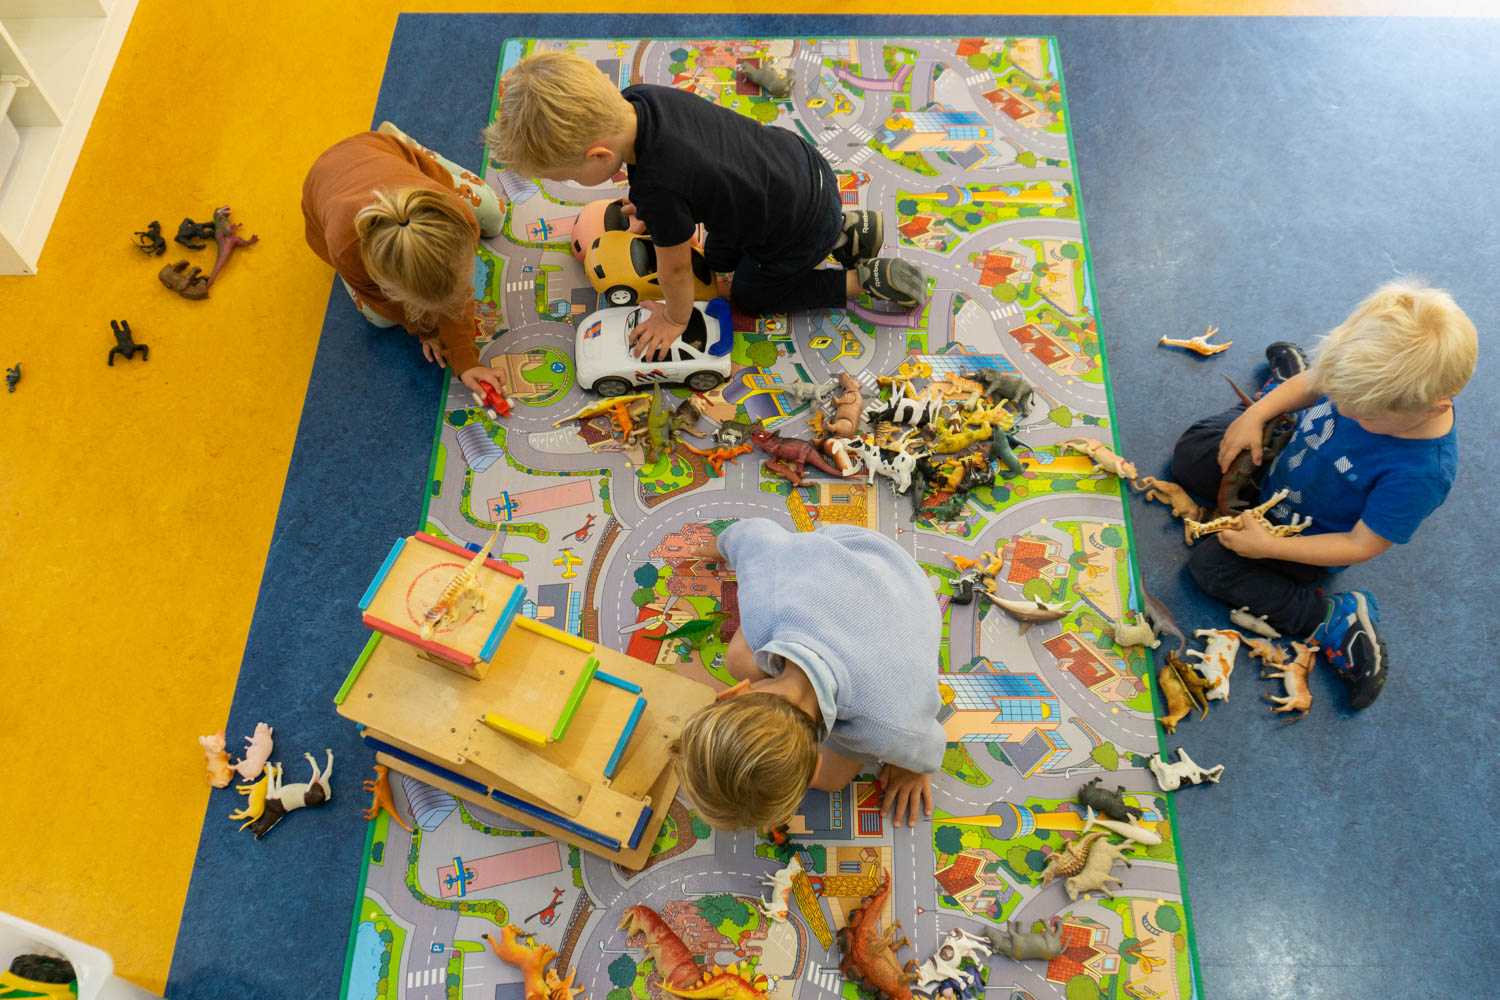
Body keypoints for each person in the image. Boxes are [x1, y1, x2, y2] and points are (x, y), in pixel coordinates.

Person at [483, 50, 927, 361]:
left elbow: (675, 271)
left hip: (792, 228)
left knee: (749, 295)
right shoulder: (640, 98)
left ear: (599, 156)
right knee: (715, 258)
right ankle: (843, 230)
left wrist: (674, 318)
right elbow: (691, 162)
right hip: (801, 169)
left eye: (568, 175)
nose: (570, 183)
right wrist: (650, 202)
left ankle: (859, 279)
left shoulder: (659, 188)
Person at [1168, 278, 1476, 708]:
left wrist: (1269, 545)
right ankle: (1279, 391)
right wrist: (1255, 416)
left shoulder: (1421, 473)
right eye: (1338, 392)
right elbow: (1318, 385)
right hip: (1278, 466)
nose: (1343, 409)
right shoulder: (1365, 383)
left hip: (1302, 536)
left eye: (1363, 415)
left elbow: (1360, 544)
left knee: (1212, 569)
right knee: (1192, 455)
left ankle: (1332, 619)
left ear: (1434, 407)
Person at [667, 519, 945, 832]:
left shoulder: (891, 729)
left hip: (897, 579)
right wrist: (720, 544)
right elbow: (751, 533)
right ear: (735, 692)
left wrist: (912, 768)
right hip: (858, 563)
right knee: (741, 658)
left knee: (833, 780)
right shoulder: (764, 606)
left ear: (814, 766)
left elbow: (928, 743)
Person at [302, 124, 506, 394]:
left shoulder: (458, 215)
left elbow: (451, 297)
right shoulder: (347, 251)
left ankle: (411, 146)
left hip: (381, 150)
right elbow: (393, 306)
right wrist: (427, 331)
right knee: (381, 318)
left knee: (495, 215)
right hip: (323, 193)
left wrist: (464, 357)